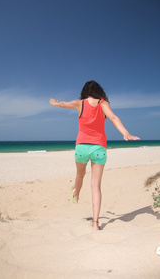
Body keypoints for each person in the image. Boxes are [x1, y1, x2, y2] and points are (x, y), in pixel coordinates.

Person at [49, 81, 140, 230]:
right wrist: (125, 133)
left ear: (85, 91)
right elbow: (114, 118)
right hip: (98, 148)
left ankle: (76, 193)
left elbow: (64, 104)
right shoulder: (103, 104)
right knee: (95, 186)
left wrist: (55, 103)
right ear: (99, 92)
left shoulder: (79, 103)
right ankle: (96, 223)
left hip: (82, 148)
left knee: (80, 175)